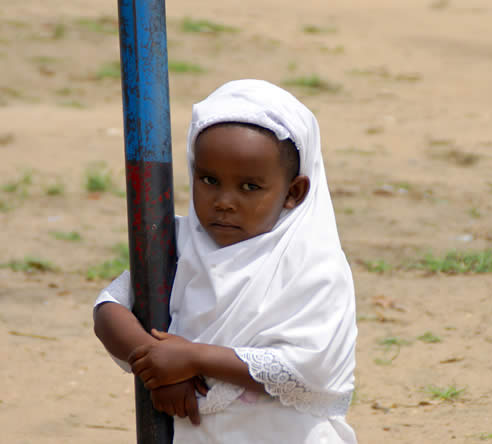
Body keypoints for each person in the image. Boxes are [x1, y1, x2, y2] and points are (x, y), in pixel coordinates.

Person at [93, 79, 358, 443]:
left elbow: (310, 367)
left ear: (293, 192)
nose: (224, 201)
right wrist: (157, 364)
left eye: (250, 187)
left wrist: (194, 358)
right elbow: (109, 307)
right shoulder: (178, 243)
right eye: (209, 180)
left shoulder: (313, 264)